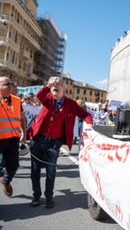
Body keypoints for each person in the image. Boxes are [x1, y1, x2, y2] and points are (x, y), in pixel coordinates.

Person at [27, 76, 93, 208]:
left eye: (58, 84)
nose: (54, 86)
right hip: (38, 139)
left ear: (64, 87)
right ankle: (36, 195)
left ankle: (49, 196)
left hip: (54, 143)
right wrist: (47, 86)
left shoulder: (71, 104)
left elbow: (86, 115)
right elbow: (39, 94)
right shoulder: (47, 98)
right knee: (35, 170)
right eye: (52, 85)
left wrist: (89, 125)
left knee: (51, 171)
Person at [0, 77, 26, 197]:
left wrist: (23, 133)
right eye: (7, 84)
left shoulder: (17, 100)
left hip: (12, 139)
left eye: (12, 83)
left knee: (14, 165)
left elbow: (21, 118)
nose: (11, 86)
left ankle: (5, 181)